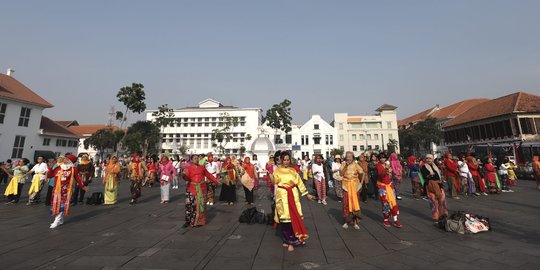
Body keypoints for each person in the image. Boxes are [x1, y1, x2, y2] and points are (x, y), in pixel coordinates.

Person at [272, 151, 316, 251]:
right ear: (281, 160)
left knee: (294, 218)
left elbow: (299, 183)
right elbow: (275, 181)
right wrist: (270, 177)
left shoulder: (293, 171)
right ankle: (288, 240)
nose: (286, 162)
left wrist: (307, 194)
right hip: (282, 195)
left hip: (293, 194)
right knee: (285, 219)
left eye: (288, 160)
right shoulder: (277, 171)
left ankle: (292, 240)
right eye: (284, 160)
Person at [46, 155, 87, 228]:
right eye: (65, 158)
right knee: (55, 204)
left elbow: (77, 178)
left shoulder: (73, 169)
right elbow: (50, 175)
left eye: (67, 159)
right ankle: (60, 219)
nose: (64, 160)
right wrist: (50, 168)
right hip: (56, 189)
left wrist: (82, 186)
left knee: (62, 204)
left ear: (70, 161)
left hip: (66, 190)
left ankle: (57, 220)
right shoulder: (59, 167)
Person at [183, 154, 219, 227]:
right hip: (191, 188)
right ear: (192, 160)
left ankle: (199, 222)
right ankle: (189, 221)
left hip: (202, 188)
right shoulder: (189, 168)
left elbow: (209, 175)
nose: (197, 159)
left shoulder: (202, 168)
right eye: (195, 158)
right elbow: (186, 178)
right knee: (191, 206)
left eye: (197, 158)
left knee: (201, 205)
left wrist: (216, 181)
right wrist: (183, 175)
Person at [376, 153, 402, 228]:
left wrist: (398, 174)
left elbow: (392, 173)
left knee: (393, 202)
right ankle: (386, 220)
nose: (382, 159)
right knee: (385, 204)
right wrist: (387, 168)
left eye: (384, 158)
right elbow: (381, 175)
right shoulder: (378, 166)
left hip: (390, 186)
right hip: (382, 187)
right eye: (380, 158)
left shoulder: (388, 164)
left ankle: (395, 220)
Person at [421, 154, 448, 225]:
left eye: (430, 158)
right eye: (427, 158)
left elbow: (438, 176)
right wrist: (429, 175)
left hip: (438, 185)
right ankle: (435, 217)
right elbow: (424, 176)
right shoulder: (423, 167)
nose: (428, 160)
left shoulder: (435, 166)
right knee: (433, 202)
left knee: (442, 201)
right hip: (430, 186)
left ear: (432, 159)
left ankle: (443, 215)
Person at [339, 151, 364, 230]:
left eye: (350, 156)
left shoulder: (356, 165)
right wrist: (346, 166)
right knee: (346, 203)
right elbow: (341, 174)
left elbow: (363, 173)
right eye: (347, 156)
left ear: (353, 157)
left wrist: (361, 183)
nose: (349, 158)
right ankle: (346, 221)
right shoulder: (343, 164)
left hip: (355, 186)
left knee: (355, 203)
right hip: (346, 186)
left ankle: (355, 222)